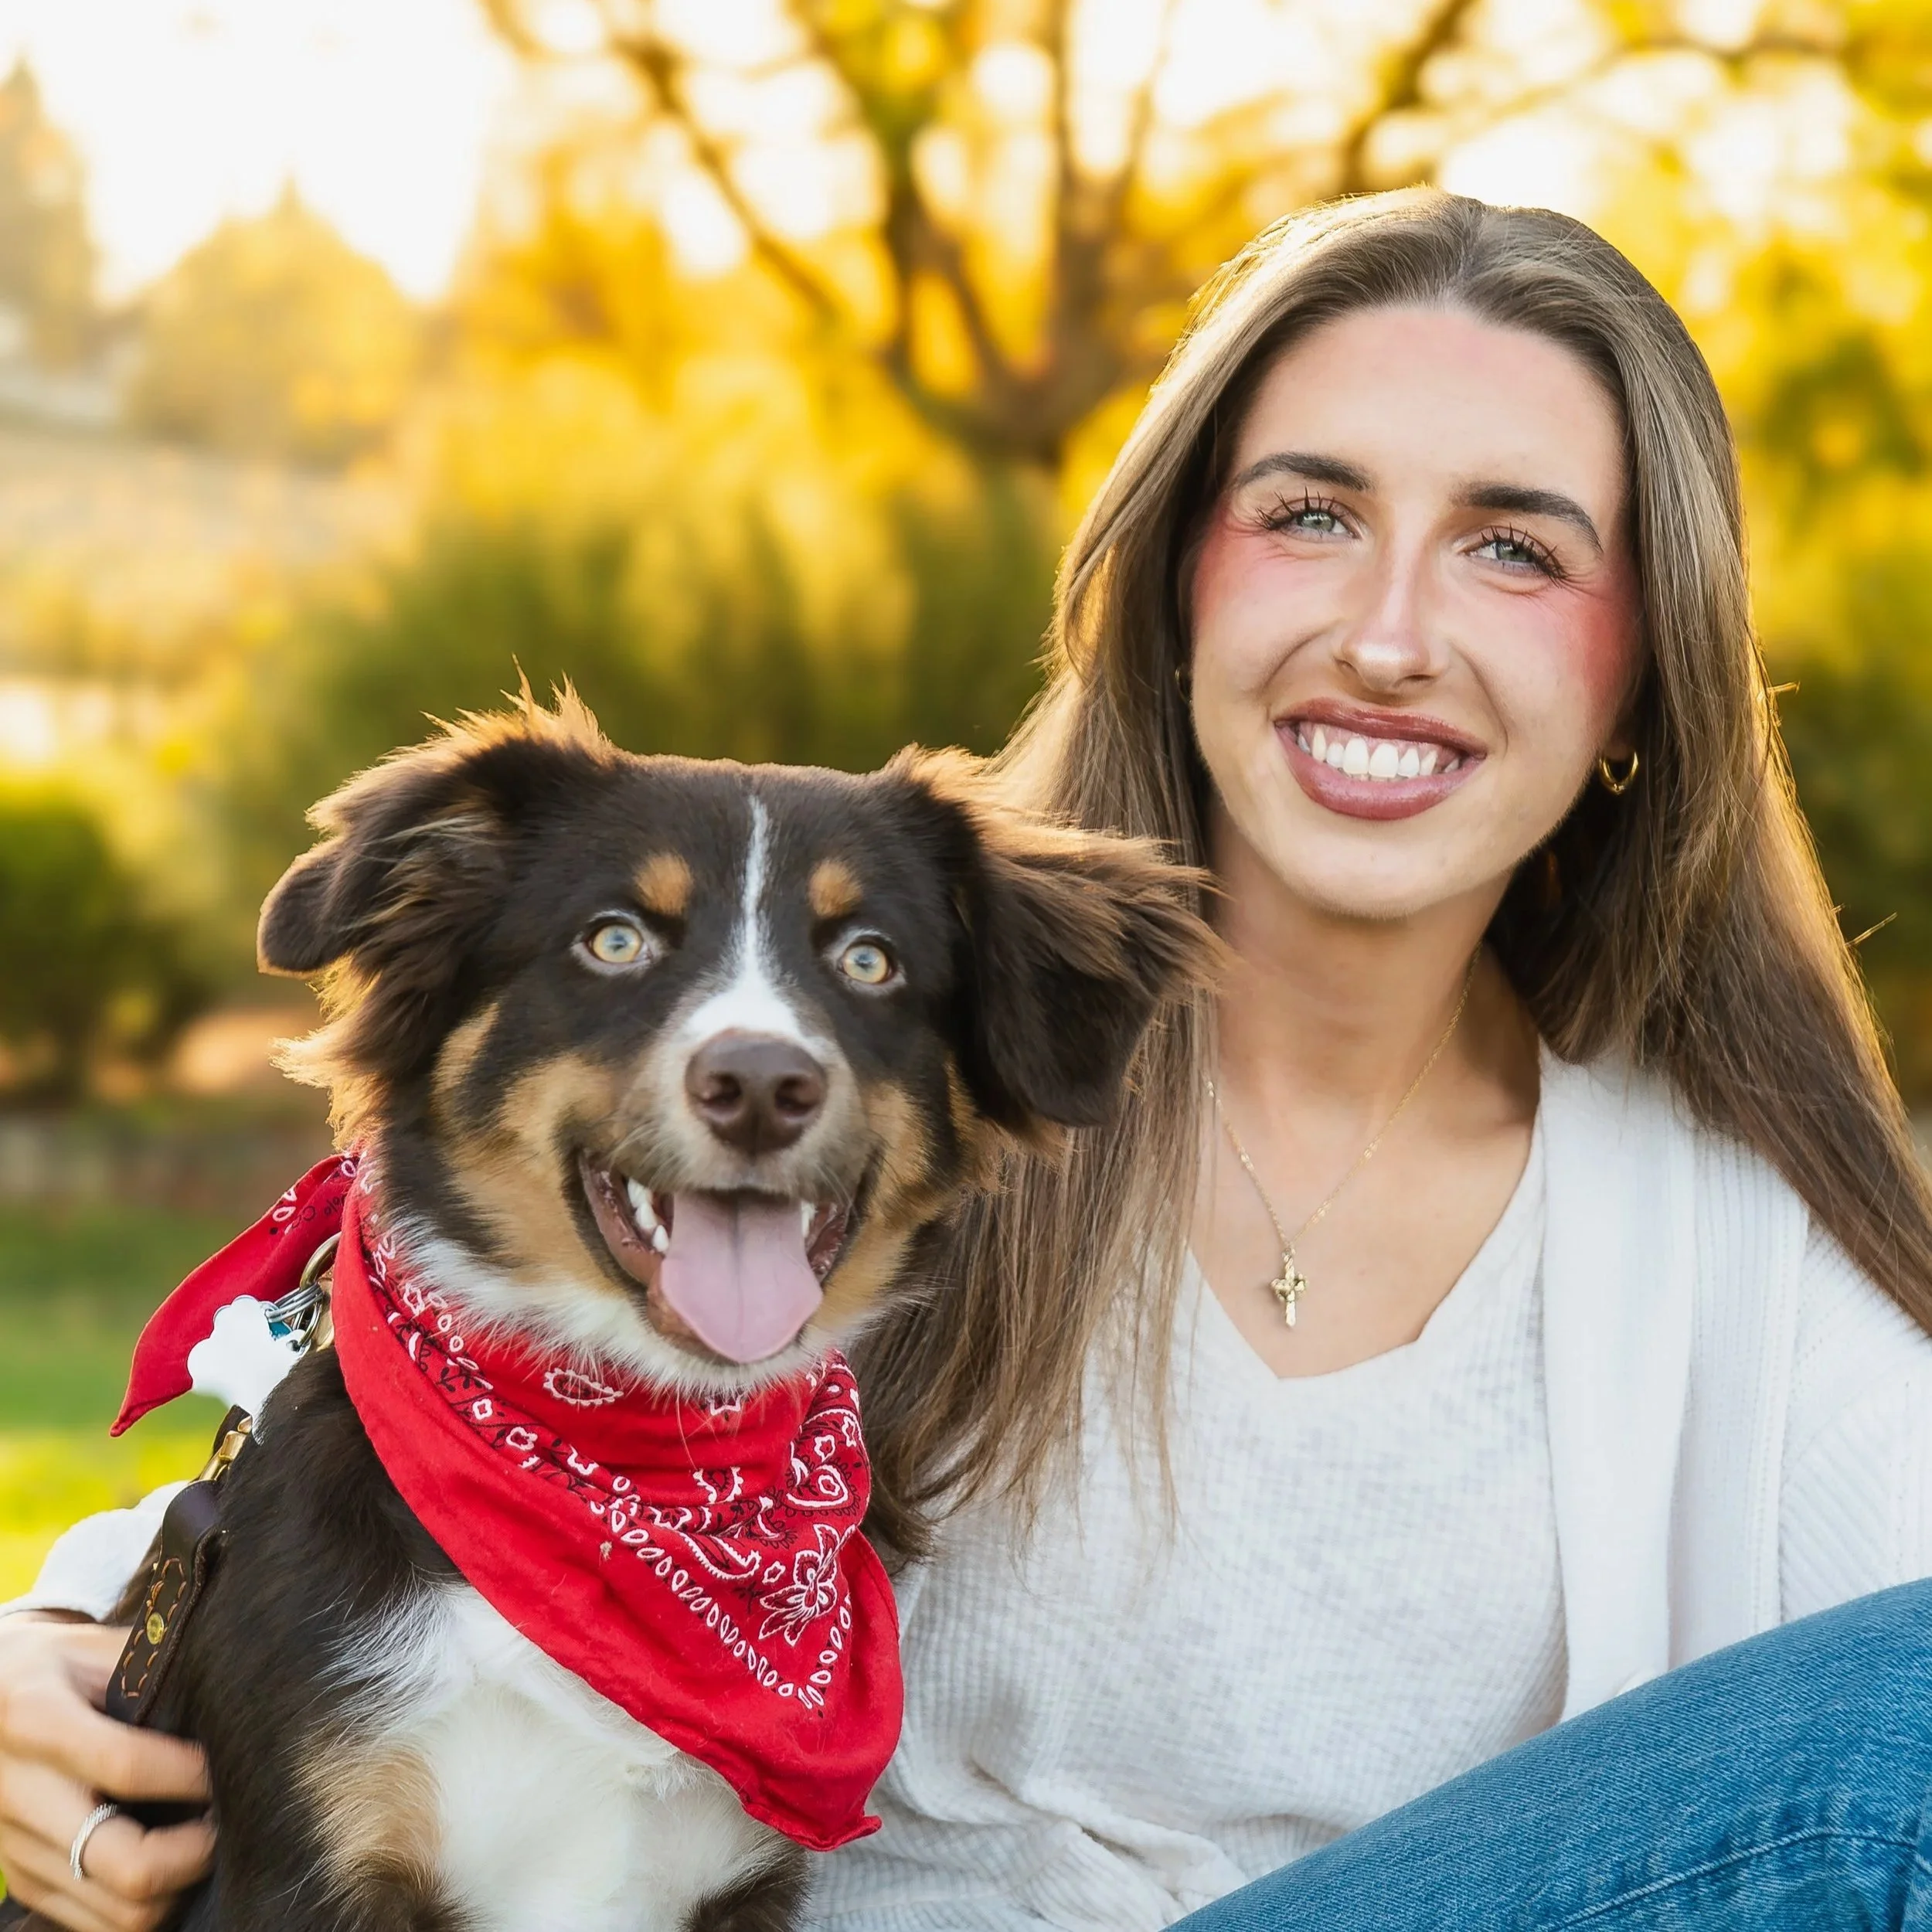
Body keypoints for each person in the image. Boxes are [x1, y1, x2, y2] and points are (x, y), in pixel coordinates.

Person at [5, 189, 1931, 1932]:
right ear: (1176, 582)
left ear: (1639, 671)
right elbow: (430, 1445)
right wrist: (41, 1656)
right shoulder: (909, 1041)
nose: (1388, 628)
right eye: (1309, 513)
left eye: (1512, 547)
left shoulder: (1722, 1239)